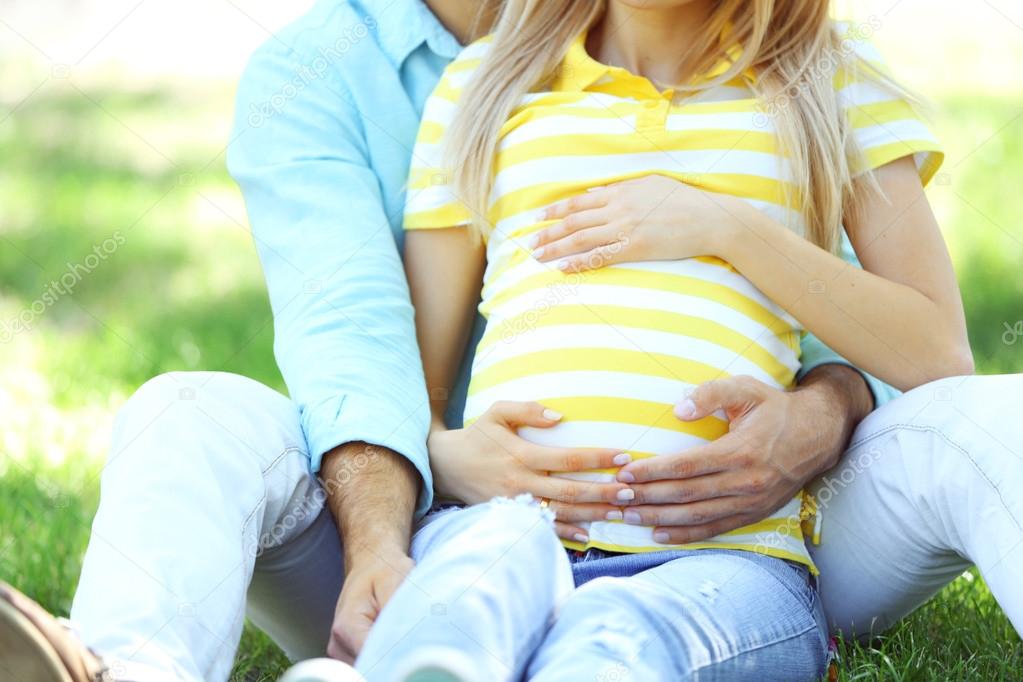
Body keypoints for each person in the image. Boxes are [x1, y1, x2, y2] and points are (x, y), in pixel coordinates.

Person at [0, 0, 1019, 680]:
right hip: (480, 519)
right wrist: (432, 466)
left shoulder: (813, 75)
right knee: (436, 590)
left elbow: (913, 342)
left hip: (732, 538)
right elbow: (380, 352)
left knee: (612, 644)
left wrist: (748, 266)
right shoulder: (453, 86)